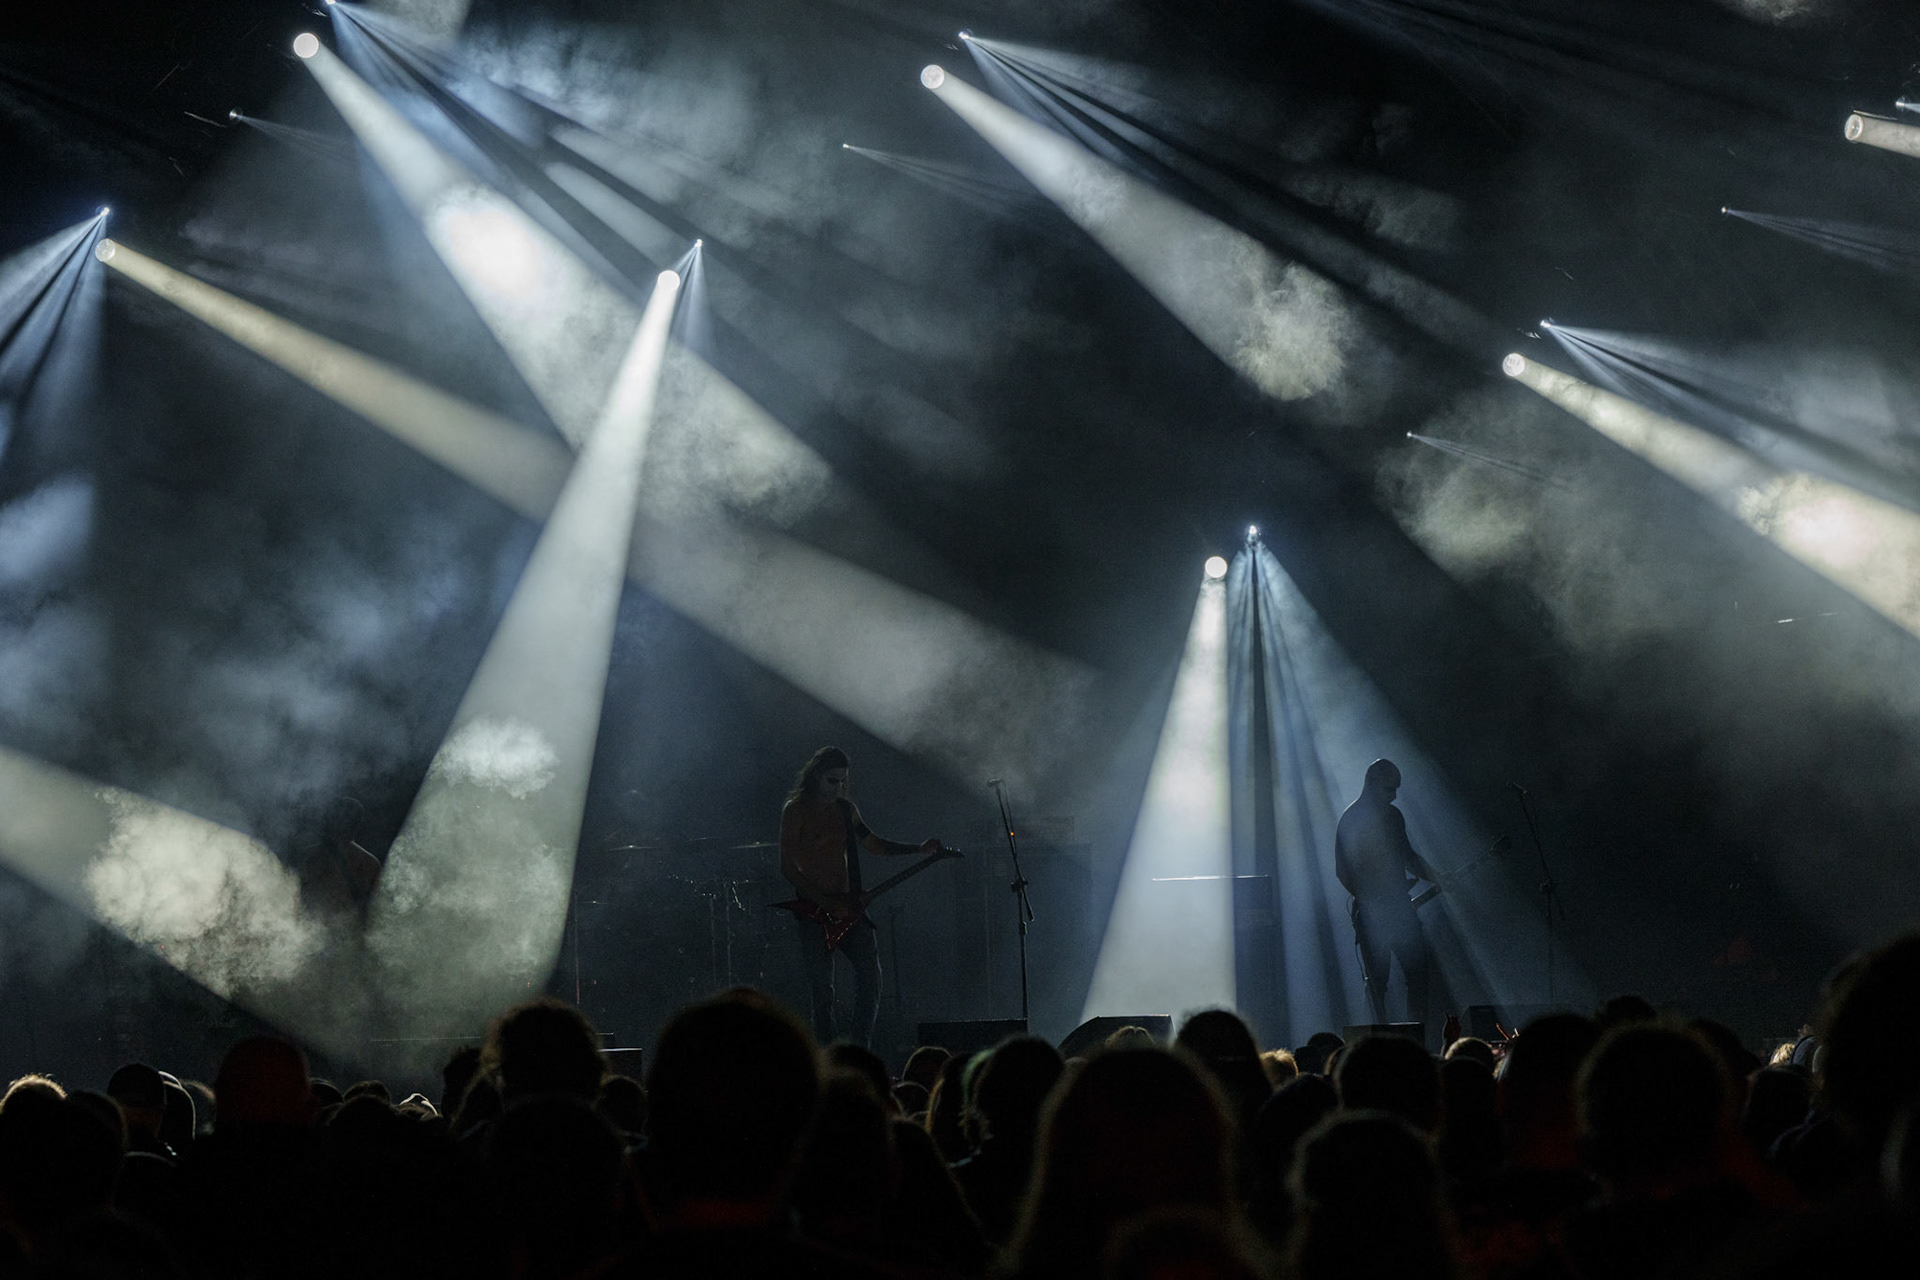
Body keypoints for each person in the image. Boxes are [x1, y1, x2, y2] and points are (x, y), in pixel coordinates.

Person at [778, 746, 942, 1048]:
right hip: (814, 909)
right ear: (815, 776)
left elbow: (874, 844)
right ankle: (826, 1056)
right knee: (822, 991)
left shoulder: (845, 809)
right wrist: (822, 901)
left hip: (849, 907)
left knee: (871, 979)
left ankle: (859, 1048)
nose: (837, 788)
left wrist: (918, 848)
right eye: (831, 780)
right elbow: (788, 866)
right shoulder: (796, 810)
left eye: (842, 781)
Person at [1333, 759, 1441, 1028]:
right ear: (1371, 784)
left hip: (1400, 910)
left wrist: (1436, 876)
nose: (1394, 795)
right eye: (1388, 789)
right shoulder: (1352, 819)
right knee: (1377, 983)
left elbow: (1408, 857)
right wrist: (1372, 900)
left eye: (1396, 789)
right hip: (1371, 916)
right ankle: (1377, 1043)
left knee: (1418, 976)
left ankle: (1414, 1037)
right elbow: (1342, 871)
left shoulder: (1394, 817)